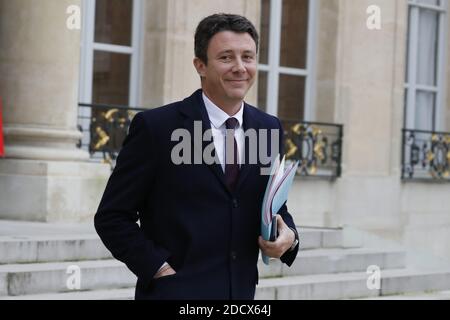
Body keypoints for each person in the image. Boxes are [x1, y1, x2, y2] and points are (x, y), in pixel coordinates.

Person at [94, 13, 299, 300]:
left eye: (248, 57)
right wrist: (157, 268)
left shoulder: (269, 127)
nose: (240, 68)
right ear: (200, 65)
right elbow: (112, 217)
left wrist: (288, 236)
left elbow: (275, 206)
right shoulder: (157, 128)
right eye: (226, 57)